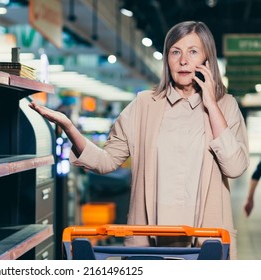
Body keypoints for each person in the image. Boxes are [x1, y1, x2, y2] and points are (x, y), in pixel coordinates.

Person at [29, 21, 249, 259]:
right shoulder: (144, 105)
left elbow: (235, 167)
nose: (183, 60)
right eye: (175, 52)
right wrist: (70, 127)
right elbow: (107, 161)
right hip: (149, 240)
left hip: (206, 240)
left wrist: (211, 103)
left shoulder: (225, 106)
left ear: (207, 59)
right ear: (167, 59)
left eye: (193, 51)